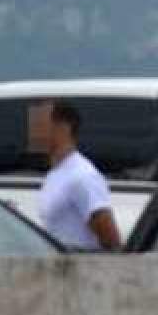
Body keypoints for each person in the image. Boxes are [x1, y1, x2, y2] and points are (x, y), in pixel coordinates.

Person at [36, 102, 121, 252]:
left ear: (63, 128)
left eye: (41, 125)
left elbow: (110, 238)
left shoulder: (82, 176)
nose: (35, 132)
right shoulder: (54, 174)